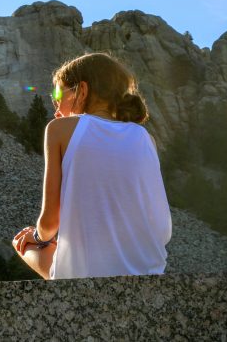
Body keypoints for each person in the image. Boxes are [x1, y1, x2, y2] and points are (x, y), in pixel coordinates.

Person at [12, 52, 171, 279]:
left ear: (82, 90)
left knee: (24, 242)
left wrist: (36, 237)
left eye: (58, 92)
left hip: (85, 276)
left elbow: (50, 223)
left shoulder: (59, 129)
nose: (54, 102)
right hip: (150, 270)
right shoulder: (145, 137)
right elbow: (162, 228)